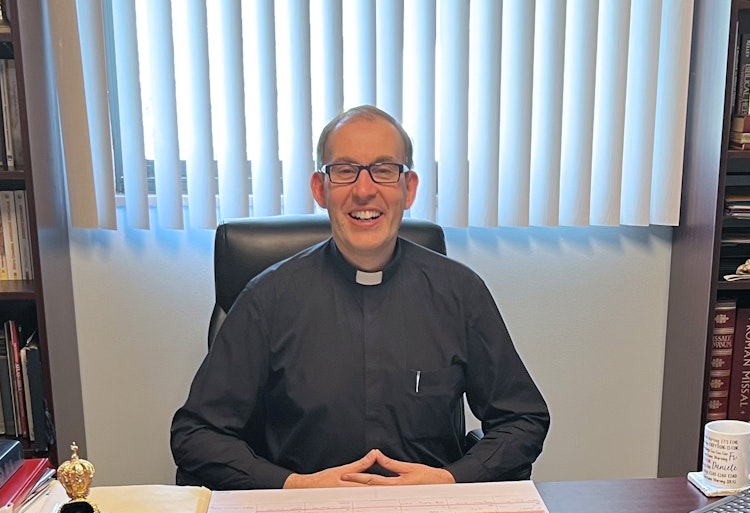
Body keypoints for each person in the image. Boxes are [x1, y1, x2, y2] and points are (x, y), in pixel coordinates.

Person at [170, 105, 549, 490]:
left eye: (384, 170)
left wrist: (451, 478)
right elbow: (195, 436)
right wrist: (294, 485)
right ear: (321, 189)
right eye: (344, 171)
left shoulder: (460, 293)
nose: (364, 190)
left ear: (409, 188)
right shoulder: (268, 299)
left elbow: (523, 419)